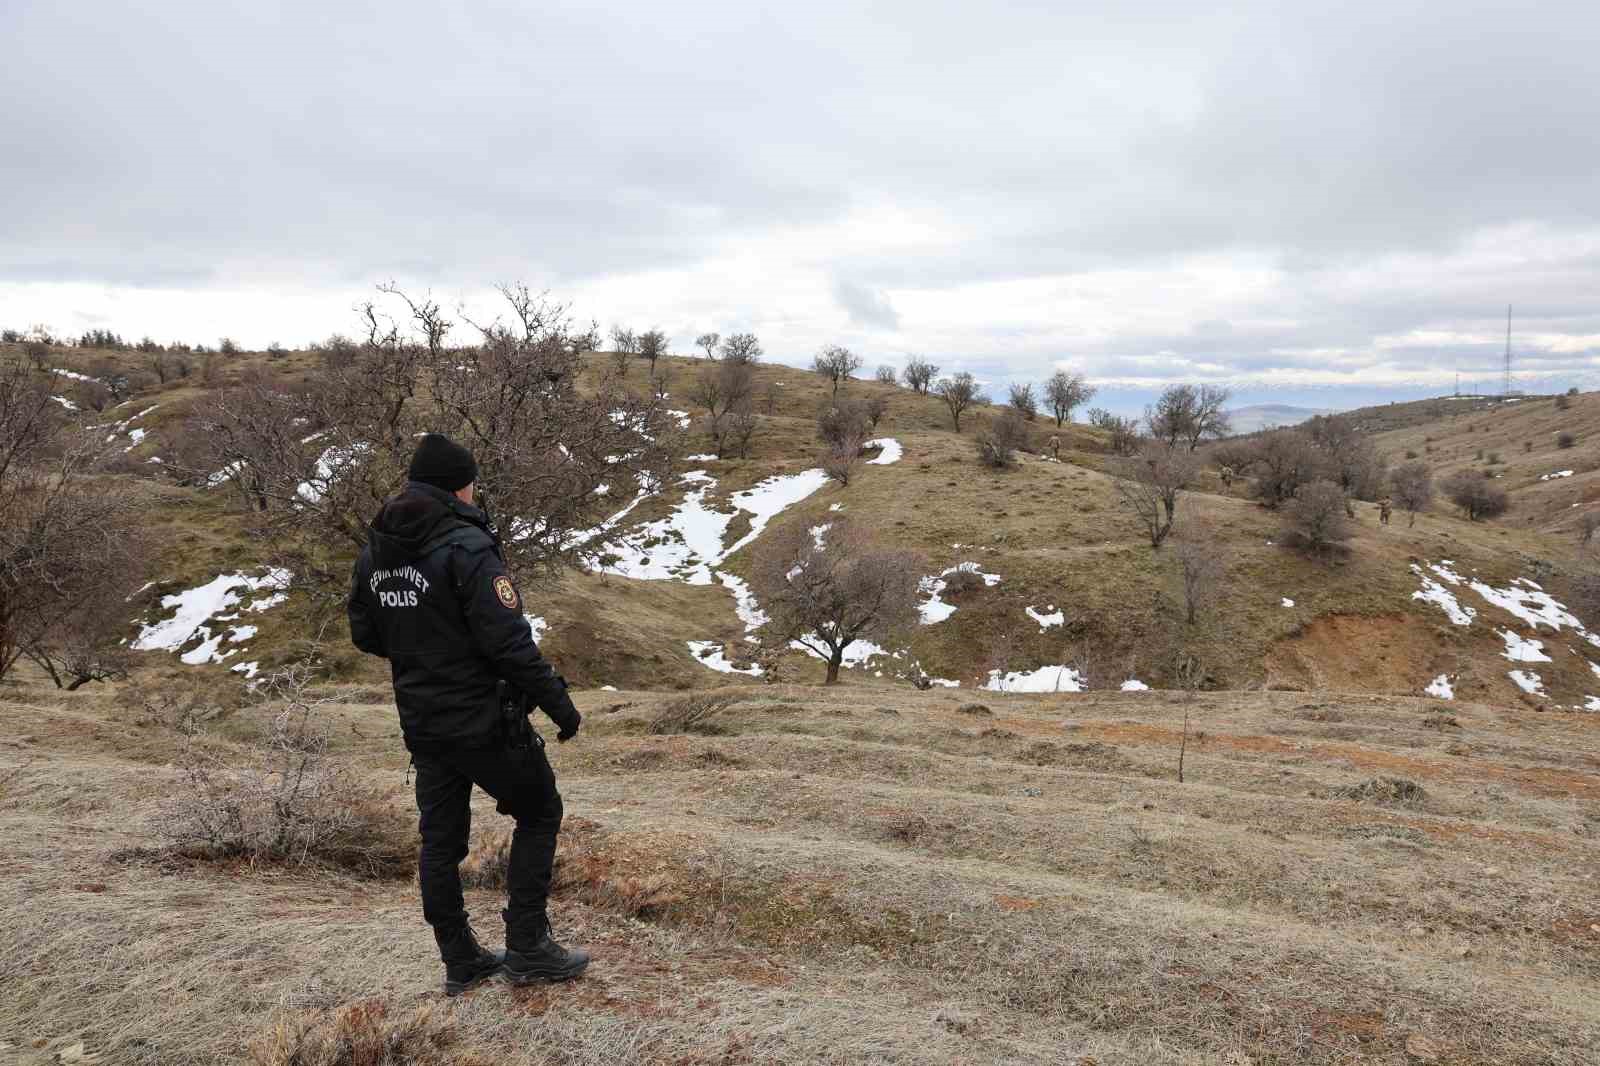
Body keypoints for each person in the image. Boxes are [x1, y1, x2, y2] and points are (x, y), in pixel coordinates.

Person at [348, 433, 589, 995]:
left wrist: (423, 652)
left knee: (440, 842)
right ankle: (528, 945)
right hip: (484, 719)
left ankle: (460, 960)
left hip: (424, 722)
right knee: (539, 809)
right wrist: (559, 704)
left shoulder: (375, 549)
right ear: (460, 485)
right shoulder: (466, 545)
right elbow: (509, 644)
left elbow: (365, 634)